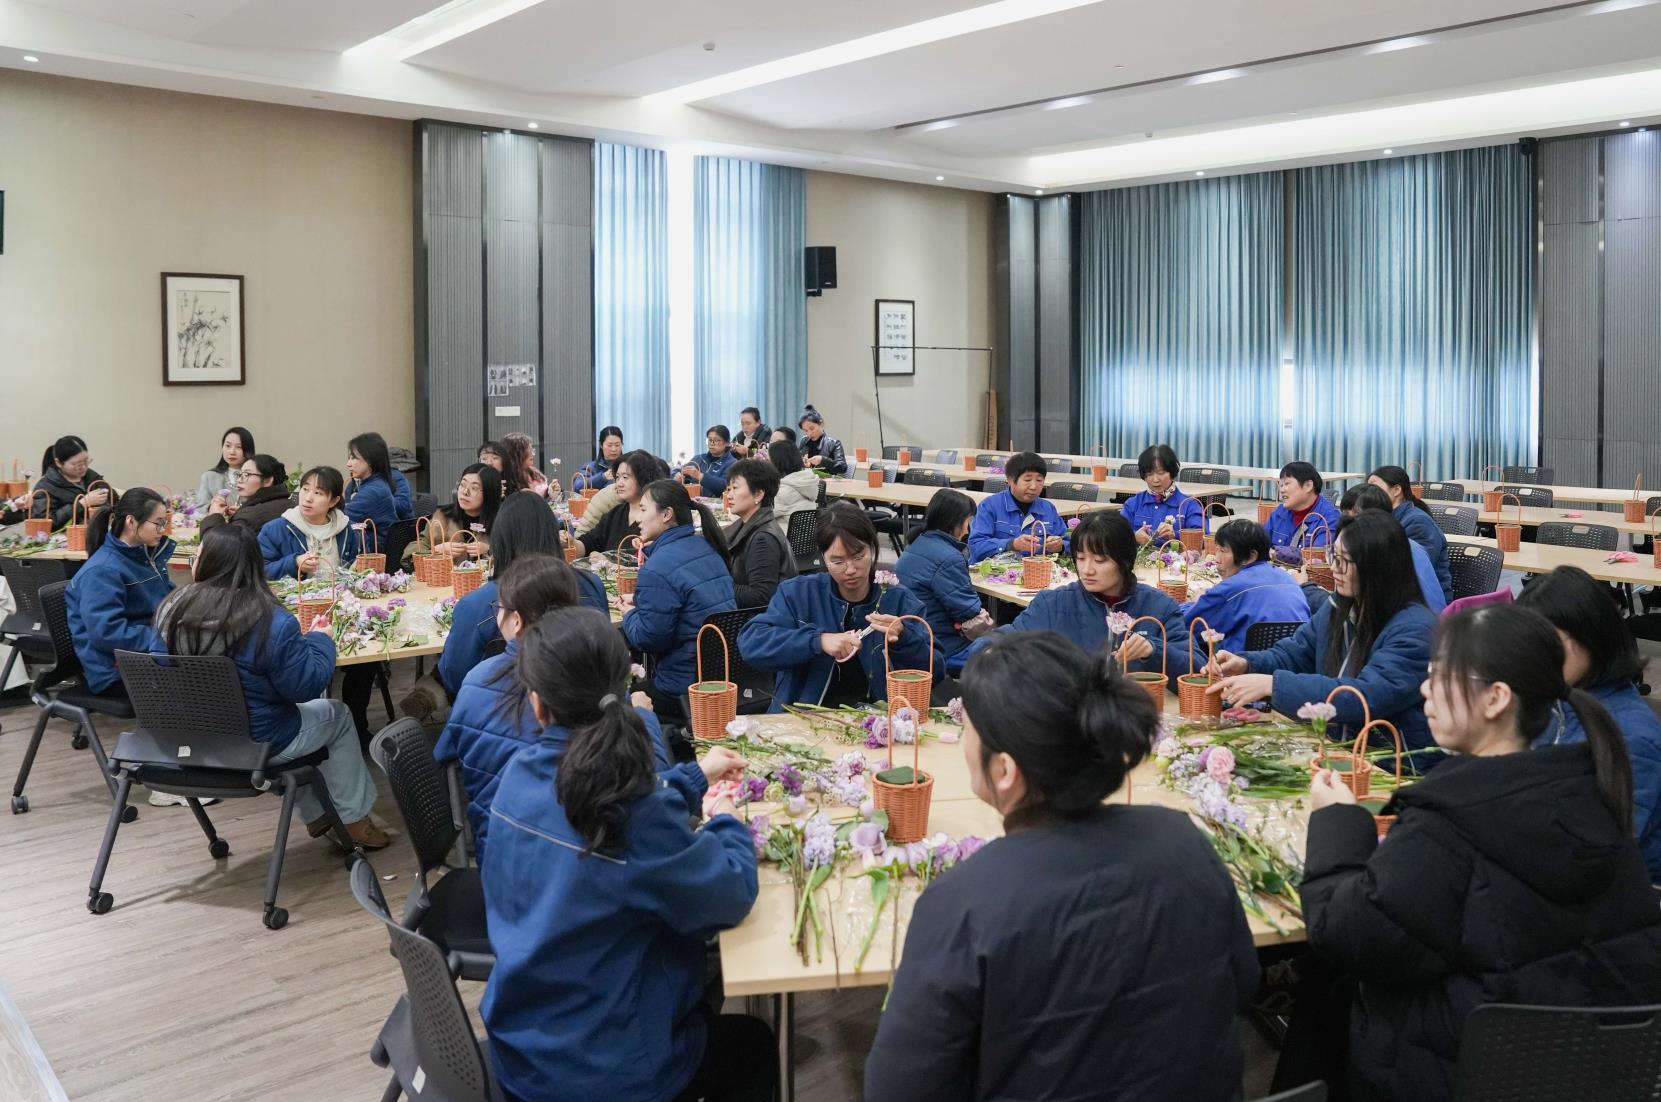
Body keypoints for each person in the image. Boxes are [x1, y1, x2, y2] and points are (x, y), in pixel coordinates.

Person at [865, 631, 1259, 1101]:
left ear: (1006, 770)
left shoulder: (963, 904)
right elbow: (1244, 982)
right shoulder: (1182, 839)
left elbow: (899, 1090)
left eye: (968, 727)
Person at [1300, 605, 1661, 1102]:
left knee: (1325, 990)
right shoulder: (1590, 789)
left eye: (1440, 676)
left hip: (1464, 1070)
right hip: (1584, 1073)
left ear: (1496, 698)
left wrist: (1337, 822)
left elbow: (1348, 935)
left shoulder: (1448, 819)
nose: (1425, 690)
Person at [480, 608, 771, 1102]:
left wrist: (692, 778)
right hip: (611, 1073)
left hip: (523, 1051)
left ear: (538, 706)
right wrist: (728, 819)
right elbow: (729, 893)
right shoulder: (631, 814)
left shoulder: (518, 776)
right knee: (754, 1044)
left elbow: (621, 804)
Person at [147, 525, 388, 848]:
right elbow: (304, 687)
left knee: (292, 715)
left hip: (188, 737)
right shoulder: (269, 619)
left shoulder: (170, 610)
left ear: (206, 563)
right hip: (257, 742)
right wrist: (320, 640)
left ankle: (319, 814)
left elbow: (162, 670)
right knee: (338, 715)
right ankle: (352, 819)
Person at [436, 553, 668, 864]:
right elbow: (651, 782)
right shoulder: (589, 673)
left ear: (515, 619)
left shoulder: (479, 679)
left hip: (501, 852)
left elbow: (447, 753)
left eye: (498, 609)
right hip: (590, 850)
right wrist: (645, 718)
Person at [1208, 512, 1437, 753]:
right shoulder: (1340, 605)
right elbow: (1295, 654)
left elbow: (1364, 697)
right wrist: (1246, 662)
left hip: (1391, 762)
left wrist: (1274, 685)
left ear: (1378, 567)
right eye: (1334, 556)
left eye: (1345, 561)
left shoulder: (1416, 630)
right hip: (1335, 744)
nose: (1334, 568)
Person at [1518, 566, 1661, 880]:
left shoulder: (1629, 737)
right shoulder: (1558, 702)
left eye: (1548, 642)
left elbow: (1597, 853)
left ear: (1592, 637)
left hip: (1625, 898)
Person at [739, 505, 939, 710]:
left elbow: (937, 670)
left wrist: (904, 639)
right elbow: (751, 644)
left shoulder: (898, 600)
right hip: (804, 720)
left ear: (872, 547)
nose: (851, 569)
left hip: (878, 722)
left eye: (859, 556)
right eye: (838, 561)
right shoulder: (798, 593)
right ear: (823, 558)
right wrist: (818, 641)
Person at [438, 490, 609, 699]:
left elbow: (454, 678)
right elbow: (603, 655)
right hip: (583, 709)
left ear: (500, 541)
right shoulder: (591, 586)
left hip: (501, 711)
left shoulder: (480, 603)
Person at [973, 511, 1186, 678]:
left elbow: (1197, 670)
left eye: (1100, 561)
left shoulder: (1159, 607)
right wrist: (987, 651)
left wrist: (1154, 651)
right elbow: (1004, 640)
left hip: (1138, 719)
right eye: (1081, 559)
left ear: (1126, 561)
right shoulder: (1053, 605)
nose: (1087, 570)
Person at [621, 481, 737, 724]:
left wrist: (629, 614)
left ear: (666, 514)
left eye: (643, 510)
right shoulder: (705, 546)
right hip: (721, 676)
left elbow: (649, 639)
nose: (637, 519)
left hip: (681, 685)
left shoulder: (658, 568)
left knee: (613, 705)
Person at [64, 488, 174, 696]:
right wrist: (166, 640)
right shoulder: (102, 571)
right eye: (158, 523)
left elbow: (167, 601)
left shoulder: (143, 556)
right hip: (115, 671)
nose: (162, 530)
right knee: (208, 677)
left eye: (164, 523)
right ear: (131, 522)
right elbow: (107, 633)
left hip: (143, 654)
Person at [895, 489, 994, 673]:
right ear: (955, 522)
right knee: (1009, 649)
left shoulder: (917, 542)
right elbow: (969, 612)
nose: (968, 529)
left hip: (914, 637)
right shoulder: (948, 558)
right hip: (943, 646)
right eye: (968, 521)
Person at [1181, 518, 1309, 655]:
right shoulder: (1287, 578)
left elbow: (1185, 625)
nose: (1217, 559)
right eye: (1216, 550)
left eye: (1223, 551)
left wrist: (1195, 603)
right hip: (1292, 665)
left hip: (1241, 667)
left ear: (1250, 556)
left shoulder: (1232, 588)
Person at [1340, 484, 1445, 613]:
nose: (1345, 522)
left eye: (1353, 515)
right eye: (1344, 514)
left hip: (1422, 622)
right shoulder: (1378, 543)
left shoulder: (1394, 549)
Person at [258, 466, 364, 580]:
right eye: (305, 489)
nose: (308, 498)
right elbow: (258, 571)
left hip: (341, 596)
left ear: (333, 501)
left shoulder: (350, 530)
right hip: (293, 597)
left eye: (318, 493)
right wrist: (295, 563)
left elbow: (363, 566)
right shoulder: (274, 529)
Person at [1369, 464, 1453, 602]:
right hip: (1398, 593)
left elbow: (1412, 571)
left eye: (1374, 488)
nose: (1369, 493)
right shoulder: (1386, 518)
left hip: (1425, 600)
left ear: (1396, 490)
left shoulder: (1418, 522)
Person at [966, 450, 1067, 564]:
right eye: (1027, 480)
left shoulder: (1048, 509)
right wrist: (1011, 544)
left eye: (1039, 480)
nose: (1034, 486)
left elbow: (1069, 543)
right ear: (1010, 480)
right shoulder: (989, 506)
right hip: (994, 576)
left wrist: (1061, 546)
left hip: (1037, 575)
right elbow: (976, 547)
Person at [722, 459, 796, 608]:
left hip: (754, 622)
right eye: (728, 489)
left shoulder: (763, 538)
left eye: (735, 488)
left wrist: (716, 585)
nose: (729, 495)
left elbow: (762, 595)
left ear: (758, 495)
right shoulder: (748, 524)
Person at [570, 450, 670, 559]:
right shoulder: (615, 513)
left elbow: (649, 561)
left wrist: (609, 562)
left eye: (625, 477)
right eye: (617, 477)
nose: (619, 483)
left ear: (643, 478)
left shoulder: (656, 517)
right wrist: (570, 543)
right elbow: (589, 543)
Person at [419, 463, 502, 564]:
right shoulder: (443, 516)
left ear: (489, 493)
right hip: (445, 578)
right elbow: (415, 551)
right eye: (462, 485)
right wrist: (436, 550)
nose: (465, 492)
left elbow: (517, 558)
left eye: (474, 488)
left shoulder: (501, 521)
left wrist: (490, 550)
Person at [1122, 443, 1204, 544]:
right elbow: (1115, 537)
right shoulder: (1132, 504)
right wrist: (1133, 537)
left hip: (1177, 559)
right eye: (1149, 474)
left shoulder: (1189, 505)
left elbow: (1203, 541)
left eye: (1161, 473)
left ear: (1172, 472)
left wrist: (1175, 535)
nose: (1155, 480)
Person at [1264, 461, 1341, 565]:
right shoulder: (1280, 511)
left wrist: (1275, 553)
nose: (1281, 490)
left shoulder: (1329, 518)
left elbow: (1316, 558)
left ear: (1308, 486)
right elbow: (1261, 543)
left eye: (1286, 484)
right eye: (1281, 485)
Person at [343, 431, 414, 543]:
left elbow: (404, 507)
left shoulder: (378, 488)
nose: (348, 463)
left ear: (370, 459)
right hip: (372, 538)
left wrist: (367, 502)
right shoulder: (354, 484)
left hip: (377, 548)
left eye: (353, 458)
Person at [199, 455, 290, 536]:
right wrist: (241, 513)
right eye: (240, 474)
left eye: (247, 474)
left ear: (267, 481)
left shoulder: (250, 517)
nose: (239, 480)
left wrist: (214, 515)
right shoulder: (289, 503)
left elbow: (217, 548)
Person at [32, 435, 109, 527]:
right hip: (67, 538)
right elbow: (44, 524)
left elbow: (114, 501)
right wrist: (82, 503)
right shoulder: (45, 487)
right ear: (58, 463)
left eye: (86, 461)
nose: (84, 467)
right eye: (77, 464)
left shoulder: (91, 476)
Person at [768, 440, 820, 540]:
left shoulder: (783, 492)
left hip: (783, 546)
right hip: (804, 544)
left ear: (777, 463)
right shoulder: (805, 480)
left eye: (768, 461)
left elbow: (759, 515)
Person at [196, 426, 255, 508]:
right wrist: (212, 507)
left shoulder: (255, 477)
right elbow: (200, 509)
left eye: (239, 447)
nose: (232, 452)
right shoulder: (209, 477)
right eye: (228, 446)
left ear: (248, 450)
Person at [499, 431, 560, 499]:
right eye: (528, 450)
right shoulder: (505, 481)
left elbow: (543, 500)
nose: (532, 453)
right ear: (516, 454)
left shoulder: (535, 474)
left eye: (532, 449)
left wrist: (551, 494)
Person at [681, 425, 737, 497]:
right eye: (710, 440)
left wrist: (701, 476)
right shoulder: (699, 459)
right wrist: (679, 478)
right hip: (694, 502)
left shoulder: (732, 463)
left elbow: (725, 486)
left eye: (716, 440)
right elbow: (680, 471)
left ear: (727, 442)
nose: (712, 443)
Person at [797, 405, 848, 475]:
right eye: (805, 430)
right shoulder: (804, 440)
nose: (809, 433)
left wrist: (823, 460)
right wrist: (803, 464)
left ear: (821, 424)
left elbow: (842, 467)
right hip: (807, 481)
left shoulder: (834, 443)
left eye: (812, 428)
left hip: (827, 483)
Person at [572, 426, 624, 493]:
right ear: (601, 445)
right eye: (609, 445)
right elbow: (577, 486)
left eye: (617, 445)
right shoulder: (590, 467)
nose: (613, 449)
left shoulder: (629, 466)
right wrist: (602, 477)